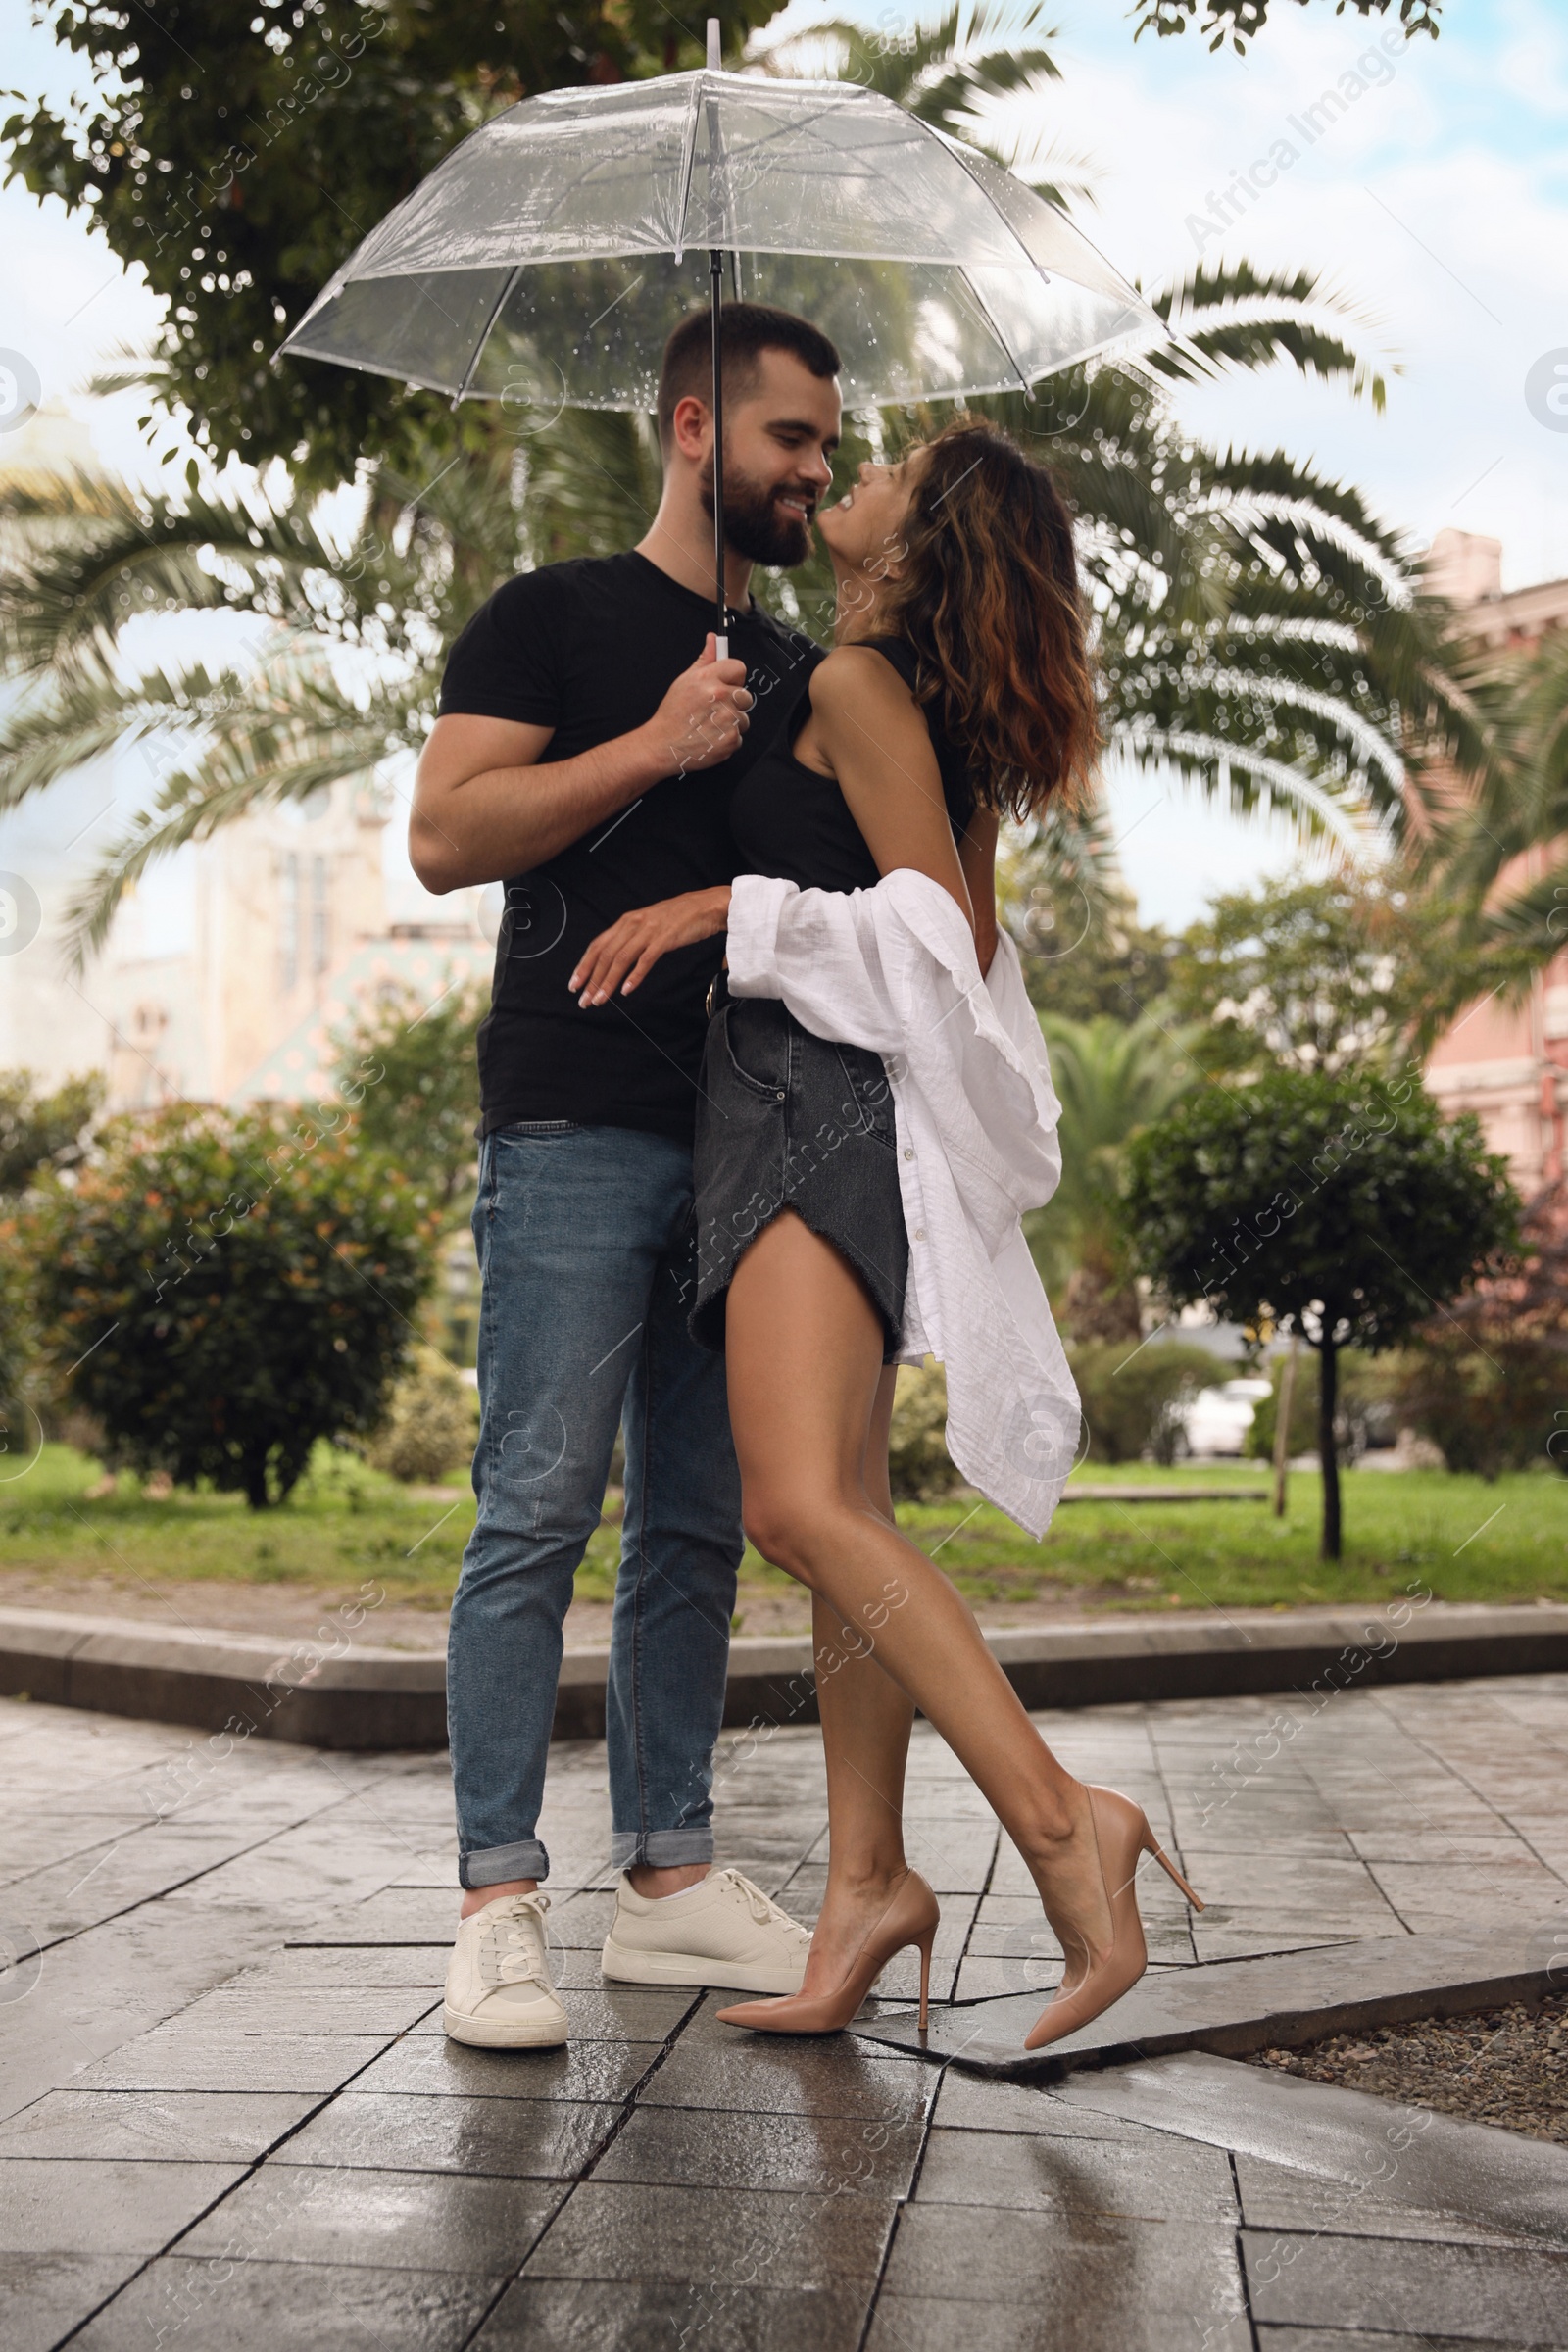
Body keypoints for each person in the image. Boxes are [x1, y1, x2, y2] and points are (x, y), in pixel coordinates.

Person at [568, 416, 1204, 2054]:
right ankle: (866, 1889)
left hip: (801, 1097)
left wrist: (732, 912)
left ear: (918, 545)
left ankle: (1067, 1826)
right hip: (838, 1109)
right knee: (843, 1504)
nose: (856, 472)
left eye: (893, 467)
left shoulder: (856, 692)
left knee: (789, 1505)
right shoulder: (927, 720)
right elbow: (967, 933)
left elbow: (924, 939)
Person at [410, 303, 845, 2048]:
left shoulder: (809, 673)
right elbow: (448, 837)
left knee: (697, 1521)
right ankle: (498, 1900)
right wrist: (659, 747)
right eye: (791, 438)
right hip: (576, 1123)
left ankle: (665, 1874)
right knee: (535, 1506)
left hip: (752, 1137)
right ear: (691, 428)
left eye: (828, 440)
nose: (820, 466)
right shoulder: (553, 617)